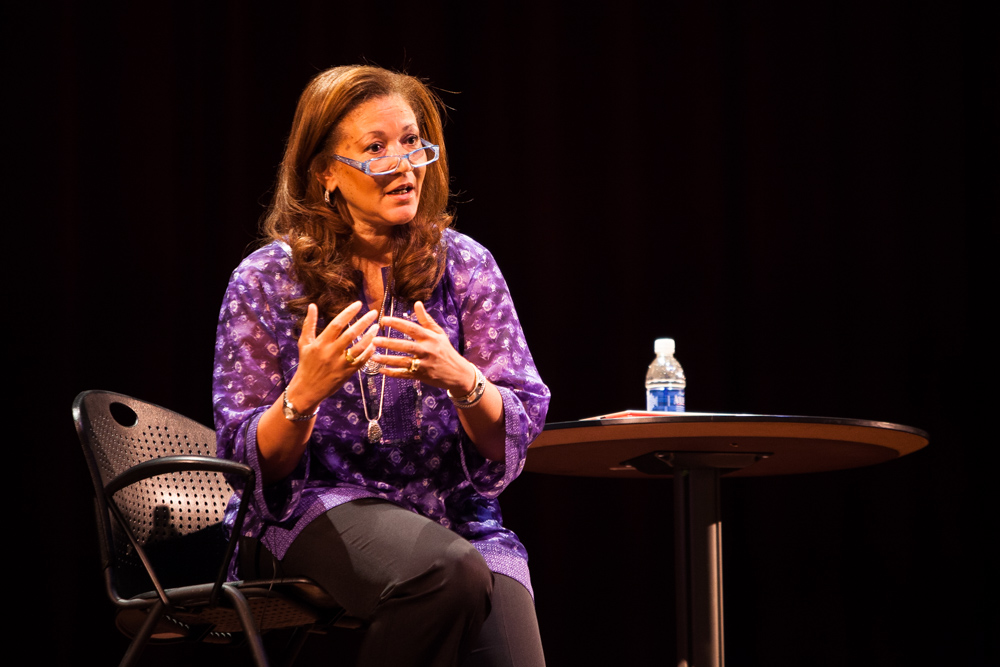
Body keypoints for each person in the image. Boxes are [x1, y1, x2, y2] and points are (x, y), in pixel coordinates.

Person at [212, 65, 550, 666]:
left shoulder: (465, 266)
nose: (403, 163)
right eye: (375, 148)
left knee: (486, 605)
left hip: (456, 514)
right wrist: (302, 396)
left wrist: (463, 380)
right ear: (325, 175)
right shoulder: (266, 280)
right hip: (313, 506)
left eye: (413, 141)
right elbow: (248, 459)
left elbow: (511, 436)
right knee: (447, 573)